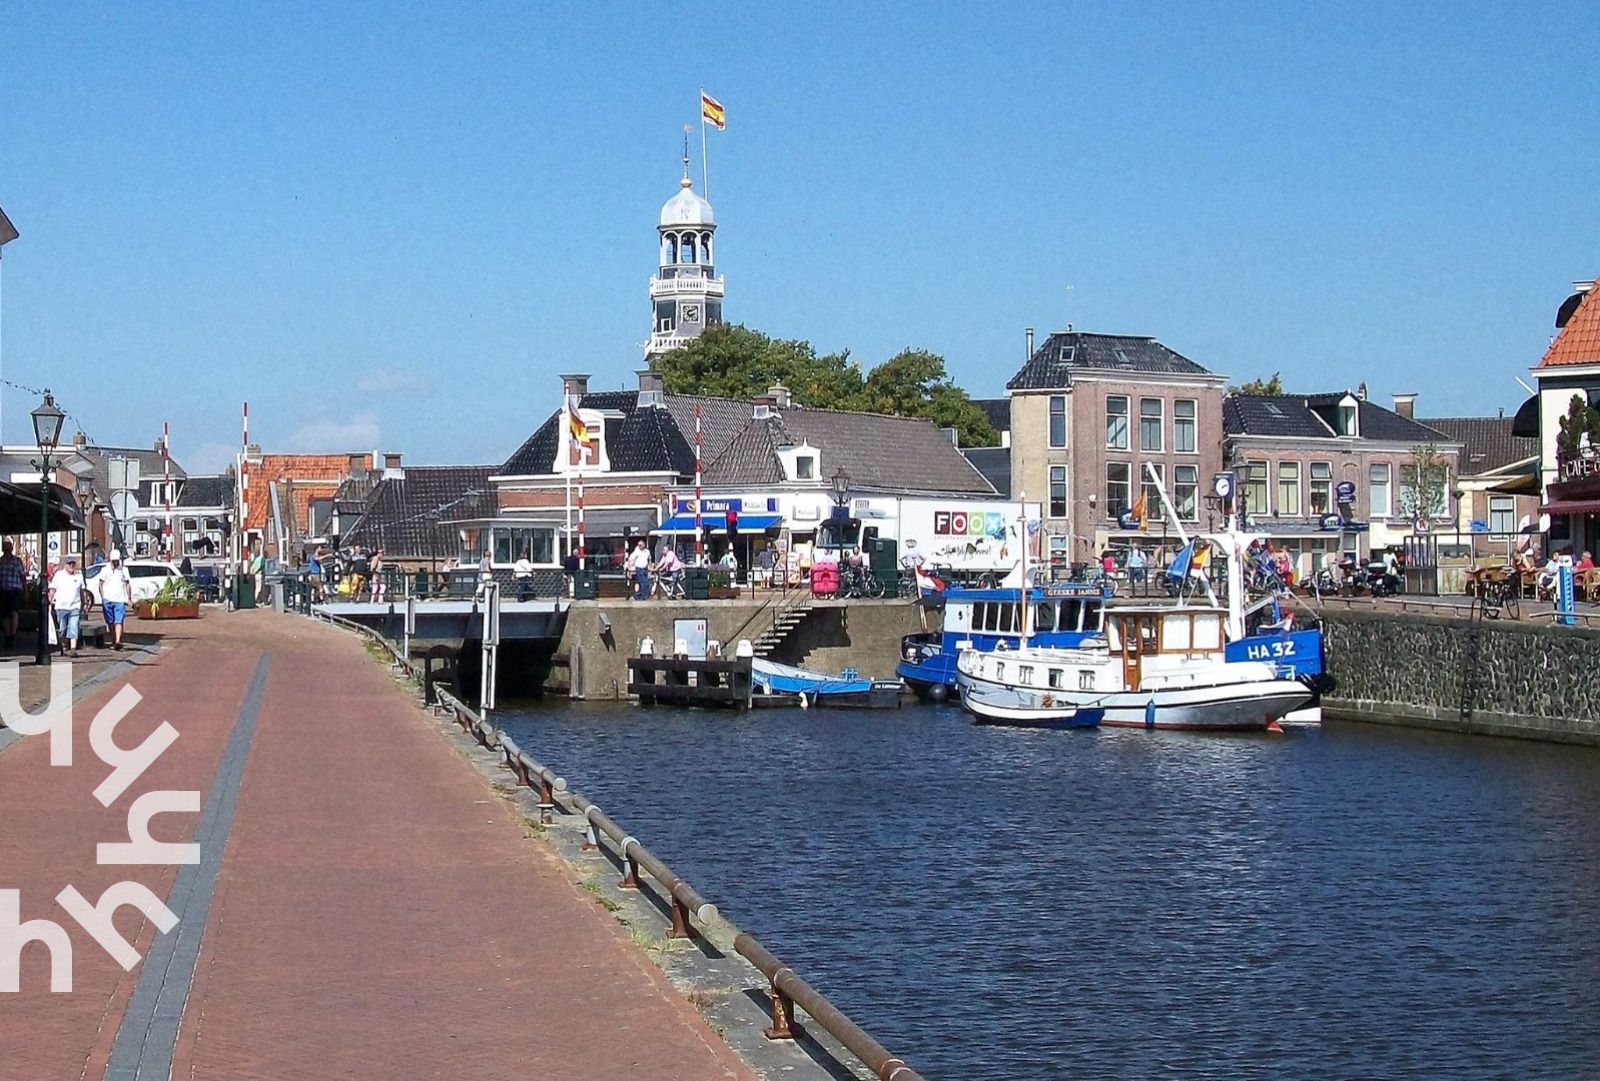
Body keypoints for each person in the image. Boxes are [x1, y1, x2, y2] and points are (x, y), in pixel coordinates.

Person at [48, 554, 86, 658]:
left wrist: (84, 603)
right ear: (65, 565)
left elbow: (82, 591)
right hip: (61, 606)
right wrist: (49, 602)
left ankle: (73, 649)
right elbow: (52, 590)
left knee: (73, 627)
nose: (71, 565)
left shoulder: (79, 575)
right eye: (69, 564)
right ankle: (64, 647)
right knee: (62, 629)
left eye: (73, 563)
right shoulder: (59, 575)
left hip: (75, 606)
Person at [98, 549, 132, 650]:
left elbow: (127, 584)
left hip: (119, 599)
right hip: (107, 599)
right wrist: (103, 596)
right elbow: (100, 584)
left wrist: (129, 598)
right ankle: (114, 639)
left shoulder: (123, 570)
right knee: (110, 622)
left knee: (118, 620)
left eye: (117, 561)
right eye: (114, 561)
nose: (116, 563)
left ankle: (118, 641)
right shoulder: (105, 570)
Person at [0, 541, 23, 649]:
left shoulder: (17, 561)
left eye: (8, 550)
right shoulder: (0, 562)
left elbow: (22, 576)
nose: (7, 552)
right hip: (3, 590)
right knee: (4, 615)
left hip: (15, 589)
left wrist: (25, 590)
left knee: (14, 613)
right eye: (5, 550)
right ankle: (8, 636)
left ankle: (12, 635)